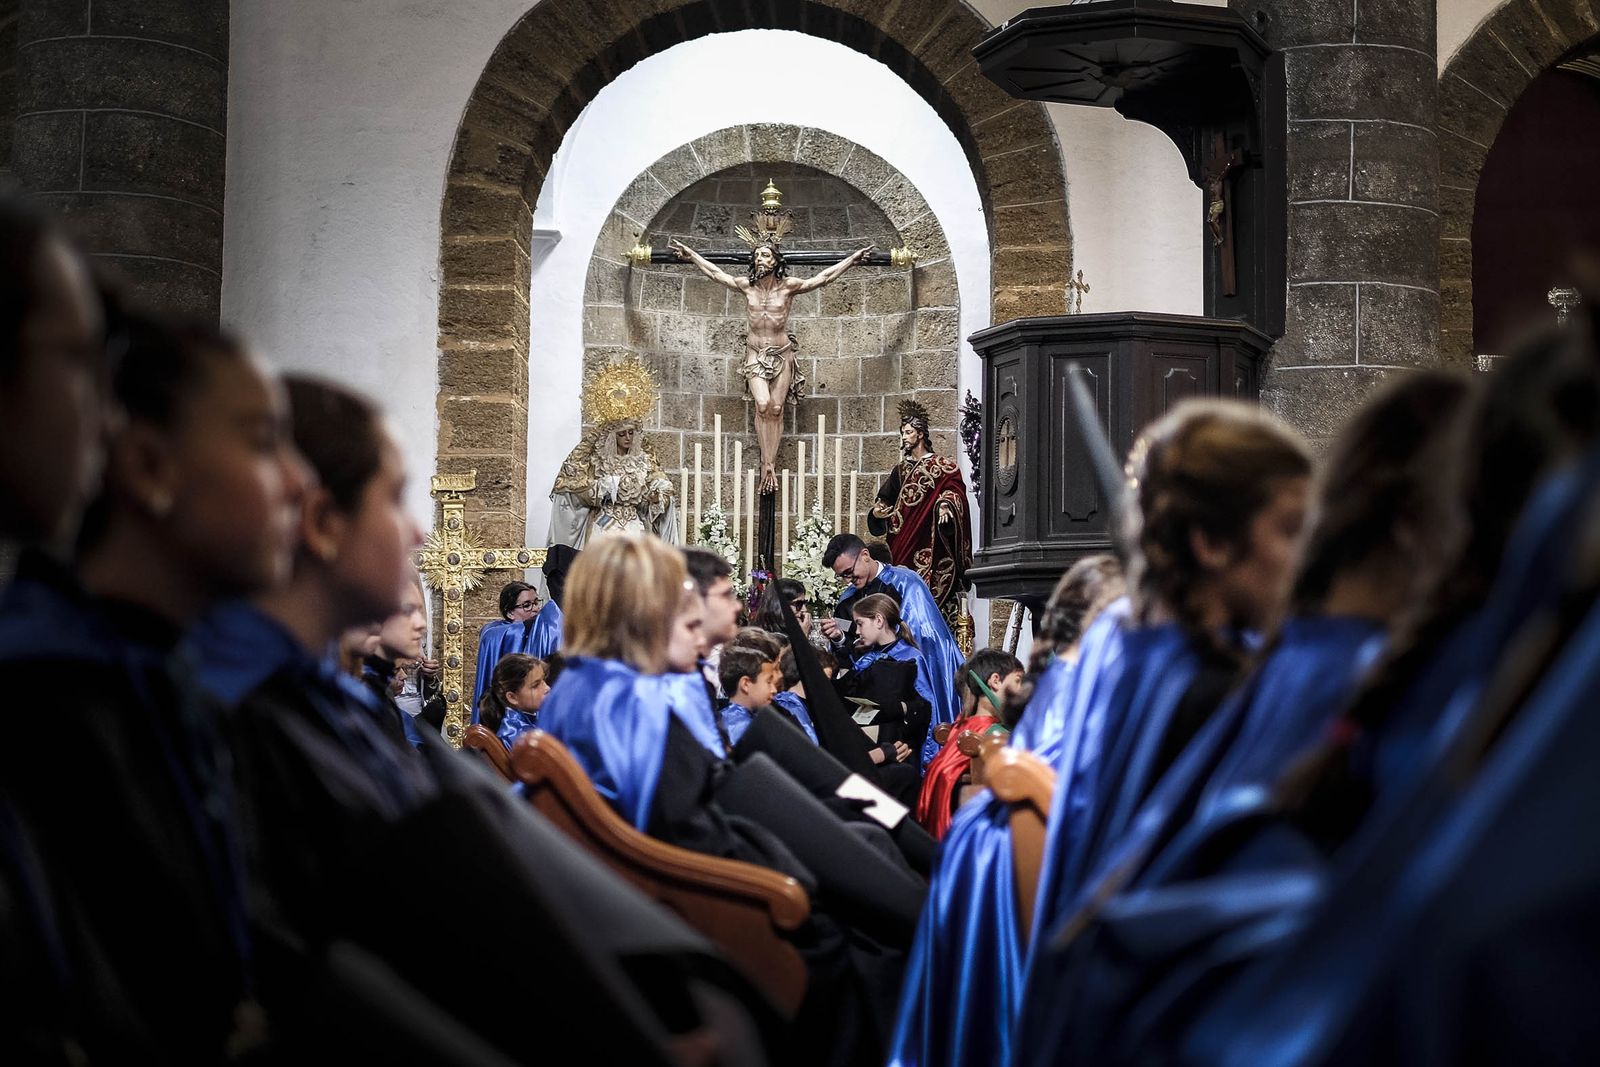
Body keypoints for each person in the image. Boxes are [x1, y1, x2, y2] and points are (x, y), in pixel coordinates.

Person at [192, 378, 753, 1063]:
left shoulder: (321, 695)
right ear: (320, 519)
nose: (420, 530)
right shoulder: (245, 709)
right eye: (394, 500)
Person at [3, 300, 306, 1059]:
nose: (301, 485)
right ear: (147, 466)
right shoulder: (45, 698)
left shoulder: (165, 671)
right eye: (265, 441)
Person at [671, 205, 873, 492]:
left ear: (776, 261)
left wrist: (851, 260)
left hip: (782, 354)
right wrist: (692, 256)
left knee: (777, 408)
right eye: (757, 256)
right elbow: (716, 274)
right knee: (763, 404)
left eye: (765, 255)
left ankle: (770, 464)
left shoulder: (788, 287)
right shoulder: (747, 287)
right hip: (755, 353)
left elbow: (823, 278)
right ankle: (766, 462)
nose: (759, 259)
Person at [821, 532, 964, 764]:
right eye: (842, 577)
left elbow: (925, 636)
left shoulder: (905, 582)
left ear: (865, 555)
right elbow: (848, 646)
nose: (848, 580)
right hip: (871, 687)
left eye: (849, 572)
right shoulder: (847, 599)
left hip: (905, 679)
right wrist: (838, 638)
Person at [868, 399, 972, 621]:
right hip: (901, 542)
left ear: (920, 434)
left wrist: (946, 503)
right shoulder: (901, 470)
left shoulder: (944, 467)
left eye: (907, 432)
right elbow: (884, 499)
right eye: (903, 433)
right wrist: (878, 511)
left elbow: (955, 491)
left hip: (930, 543)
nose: (904, 438)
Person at [914, 648, 1023, 839]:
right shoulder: (995, 736)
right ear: (995, 681)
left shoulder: (964, 725)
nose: (1022, 690)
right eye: (1018, 681)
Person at [547, 418, 677, 546]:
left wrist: (656, 498)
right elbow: (578, 487)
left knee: (636, 563)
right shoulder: (598, 461)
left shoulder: (643, 461)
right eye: (622, 434)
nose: (628, 438)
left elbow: (658, 487)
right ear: (612, 436)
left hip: (634, 524)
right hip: (605, 522)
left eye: (631, 433)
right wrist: (604, 487)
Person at [470, 581, 538, 713]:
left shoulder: (538, 631)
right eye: (527, 605)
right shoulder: (497, 633)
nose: (535, 609)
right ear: (510, 613)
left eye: (536, 602)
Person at [477, 653, 549, 750]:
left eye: (543, 680)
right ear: (512, 697)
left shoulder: (529, 723)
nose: (547, 688)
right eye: (535, 685)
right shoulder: (517, 735)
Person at [718, 643, 783, 749]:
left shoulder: (725, 719)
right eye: (768, 681)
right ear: (746, 684)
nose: (774, 689)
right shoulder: (744, 731)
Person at [753, 576, 814, 642]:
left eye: (804, 603)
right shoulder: (764, 639)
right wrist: (802, 637)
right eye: (798, 604)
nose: (804, 609)